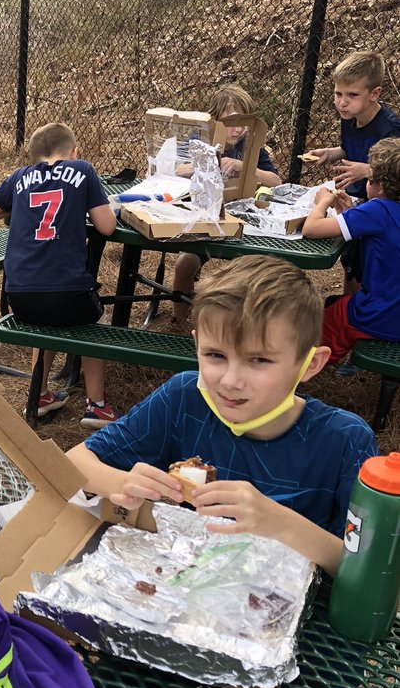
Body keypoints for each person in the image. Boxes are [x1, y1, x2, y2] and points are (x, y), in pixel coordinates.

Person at [66, 256, 378, 576]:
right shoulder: (185, 399)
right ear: (197, 344)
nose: (231, 381)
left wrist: (282, 524)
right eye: (215, 355)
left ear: (309, 365)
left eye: (258, 360)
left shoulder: (345, 441)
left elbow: (372, 572)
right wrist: (123, 482)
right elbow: (75, 463)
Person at [0, 121, 118, 425]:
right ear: (74, 151)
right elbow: (106, 226)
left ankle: (39, 395)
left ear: (33, 155)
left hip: (20, 297)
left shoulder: (20, 177)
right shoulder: (83, 170)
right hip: (68, 295)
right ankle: (97, 405)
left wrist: (17, 204)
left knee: (46, 320)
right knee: (97, 322)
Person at [172, 84, 281, 325]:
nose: (239, 128)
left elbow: (276, 181)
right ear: (215, 120)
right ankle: (179, 320)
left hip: (242, 223)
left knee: (250, 270)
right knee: (185, 263)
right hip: (205, 218)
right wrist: (206, 163)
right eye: (232, 121)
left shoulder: (251, 147)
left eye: (245, 121)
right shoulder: (200, 139)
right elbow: (176, 168)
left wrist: (242, 166)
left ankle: (247, 322)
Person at [301, 138, 400, 361]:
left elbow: (311, 228)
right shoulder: (383, 211)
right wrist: (347, 212)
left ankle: (301, 366)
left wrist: (323, 202)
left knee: (319, 324)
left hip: (382, 315)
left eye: (369, 178)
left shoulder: (378, 209)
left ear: (381, 186)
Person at [304, 50, 400, 198]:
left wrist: (368, 171)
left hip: (379, 203)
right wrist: (328, 154)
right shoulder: (349, 117)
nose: (342, 103)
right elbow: (349, 149)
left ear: (374, 94)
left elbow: (396, 172)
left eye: (353, 95)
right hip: (350, 195)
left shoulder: (391, 128)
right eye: (338, 94)